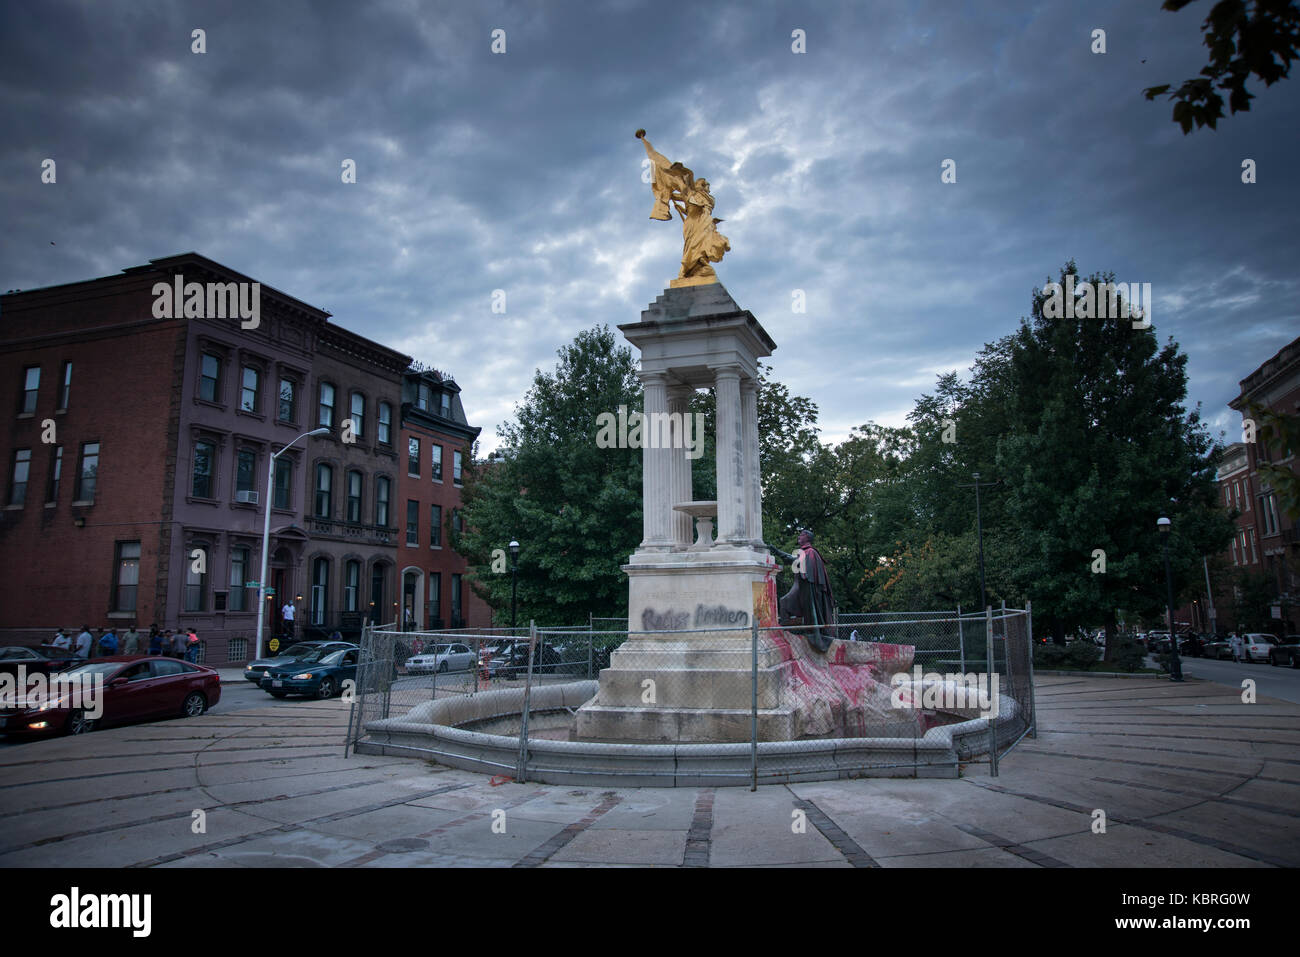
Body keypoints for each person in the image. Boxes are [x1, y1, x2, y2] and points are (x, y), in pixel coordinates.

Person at [767, 529, 837, 653]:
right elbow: (794, 562)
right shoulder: (803, 552)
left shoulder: (811, 552)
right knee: (784, 603)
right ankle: (789, 632)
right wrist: (777, 552)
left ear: (808, 538)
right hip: (801, 587)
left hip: (809, 591)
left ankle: (808, 632)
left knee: (794, 606)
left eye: (802, 535)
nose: (799, 536)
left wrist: (777, 551)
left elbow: (794, 561)